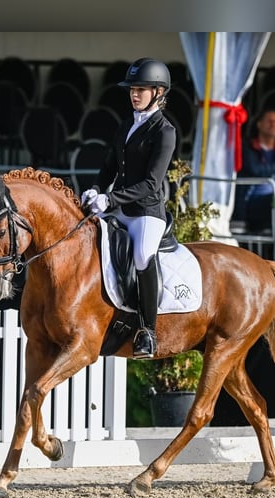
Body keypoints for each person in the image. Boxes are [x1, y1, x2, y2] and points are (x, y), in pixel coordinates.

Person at [80, 57, 176, 359]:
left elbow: (151, 183)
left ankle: (147, 330)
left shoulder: (164, 131)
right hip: (118, 207)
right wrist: (96, 188)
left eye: (142, 89)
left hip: (146, 213)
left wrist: (110, 199)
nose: (135, 94)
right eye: (133, 89)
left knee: (142, 256)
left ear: (159, 92)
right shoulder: (126, 125)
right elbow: (109, 166)